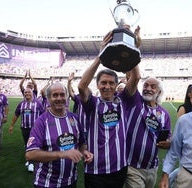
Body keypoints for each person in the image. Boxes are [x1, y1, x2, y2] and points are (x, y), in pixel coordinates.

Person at [77, 27, 141, 188]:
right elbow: (81, 86)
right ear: (97, 85)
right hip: (95, 170)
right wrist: (101, 55)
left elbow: (136, 76)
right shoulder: (92, 104)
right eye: (103, 83)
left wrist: (133, 49)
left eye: (111, 83)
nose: (107, 86)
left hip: (119, 168)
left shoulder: (123, 100)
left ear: (116, 84)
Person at [25, 82, 93, 188]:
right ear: (48, 98)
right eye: (55, 95)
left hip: (71, 182)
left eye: (62, 95)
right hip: (46, 183)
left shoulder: (74, 118)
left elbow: (82, 144)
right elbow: (30, 154)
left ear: (67, 97)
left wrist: (84, 152)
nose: (59, 98)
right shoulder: (41, 121)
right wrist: (62, 154)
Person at [124, 77, 171, 188]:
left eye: (153, 87)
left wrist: (168, 142)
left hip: (152, 167)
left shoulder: (164, 114)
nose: (148, 89)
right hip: (132, 166)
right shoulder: (135, 103)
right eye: (145, 85)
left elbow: (168, 136)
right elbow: (134, 78)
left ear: (159, 92)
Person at [9, 87, 45, 172]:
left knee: (33, 144)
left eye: (29, 92)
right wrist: (11, 125)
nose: (27, 94)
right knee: (27, 144)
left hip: (35, 129)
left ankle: (31, 163)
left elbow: (43, 115)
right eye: (25, 92)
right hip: (24, 128)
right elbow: (16, 115)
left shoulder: (38, 103)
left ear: (32, 93)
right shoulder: (21, 104)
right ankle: (30, 160)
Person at [169, 84, 192, 186]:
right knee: (186, 167)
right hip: (186, 141)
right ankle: (169, 180)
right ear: (190, 94)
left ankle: (170, 179)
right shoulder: (184, 107)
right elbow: (180, 127)